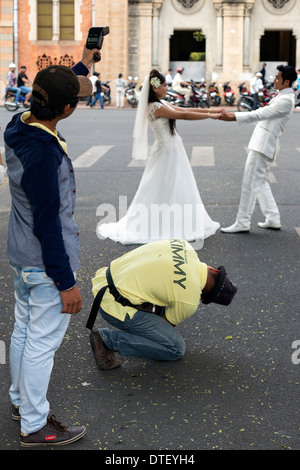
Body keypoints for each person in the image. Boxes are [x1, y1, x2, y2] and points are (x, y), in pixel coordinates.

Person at [4, 45, 98, 447]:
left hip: (20, 257)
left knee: (24, 332)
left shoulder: (17, 125)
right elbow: (49, 225)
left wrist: (84, 63)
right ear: (67, 109)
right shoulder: (45, 155)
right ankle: (35, 426)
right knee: (41, 344)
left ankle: (20, 402)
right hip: (45, 265)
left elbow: (54, 88)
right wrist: (65, 283)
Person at [97, 69, 220, 245]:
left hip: (172, 150)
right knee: (164, 186)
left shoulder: (161, 104)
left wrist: (210, 110)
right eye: (164, 85)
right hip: (167, 152)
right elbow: (183, 115)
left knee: (174, 186)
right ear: (155, 88)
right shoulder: (155, 107)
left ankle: (175, 220)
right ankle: (162, 223)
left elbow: (185, 109)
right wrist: (212, 116)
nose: (166, 87)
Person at [86, 239, 237, 369]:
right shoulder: (189, 300)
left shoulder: (184, 245)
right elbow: (163, 325)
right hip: (112, 305)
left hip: (105, 278)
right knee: (175, 348)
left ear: (213, 270)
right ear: (203, 298)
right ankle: (107, 340)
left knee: (163, 299)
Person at [220, 64, 297, 234]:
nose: (274, 80)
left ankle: (242, 221)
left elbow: (259, 114)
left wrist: (233, 117)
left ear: (286, 82)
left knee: (249, 183)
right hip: (263, 144)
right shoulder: (282, 95)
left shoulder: (285, 100)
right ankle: (273, 218)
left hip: (263, 146)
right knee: (260, 182)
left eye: (278, 77)